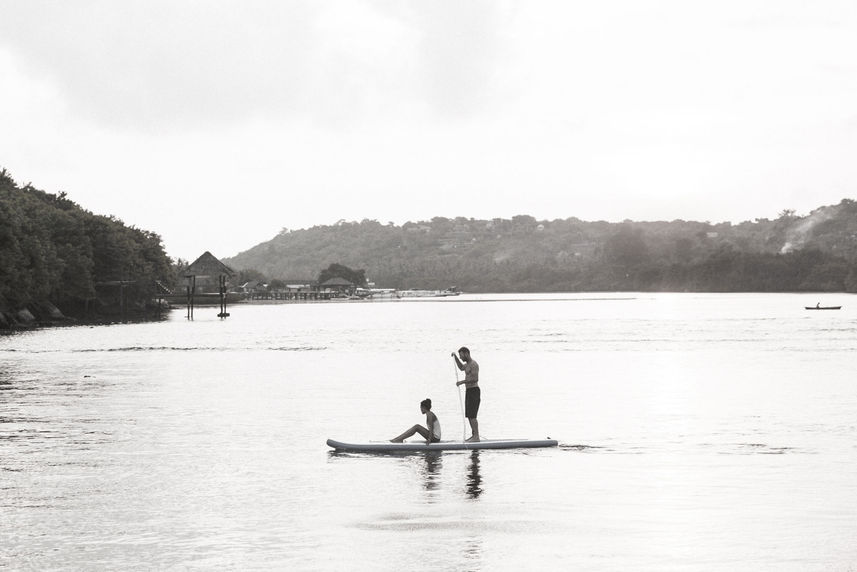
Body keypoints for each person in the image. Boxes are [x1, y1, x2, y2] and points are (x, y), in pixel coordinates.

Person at [452, 346, 480, 442]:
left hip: (474, 391)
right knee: (469, 415)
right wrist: (455, 357)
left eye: (461, 355)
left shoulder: (474, 364)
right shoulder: (467, 365)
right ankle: (474, 436)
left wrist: (462, 382)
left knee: (473, 415)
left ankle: (476, 436)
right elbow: (460, 367)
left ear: (466, 353)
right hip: (468, 391)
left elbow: (475, 379)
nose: (460, 357)